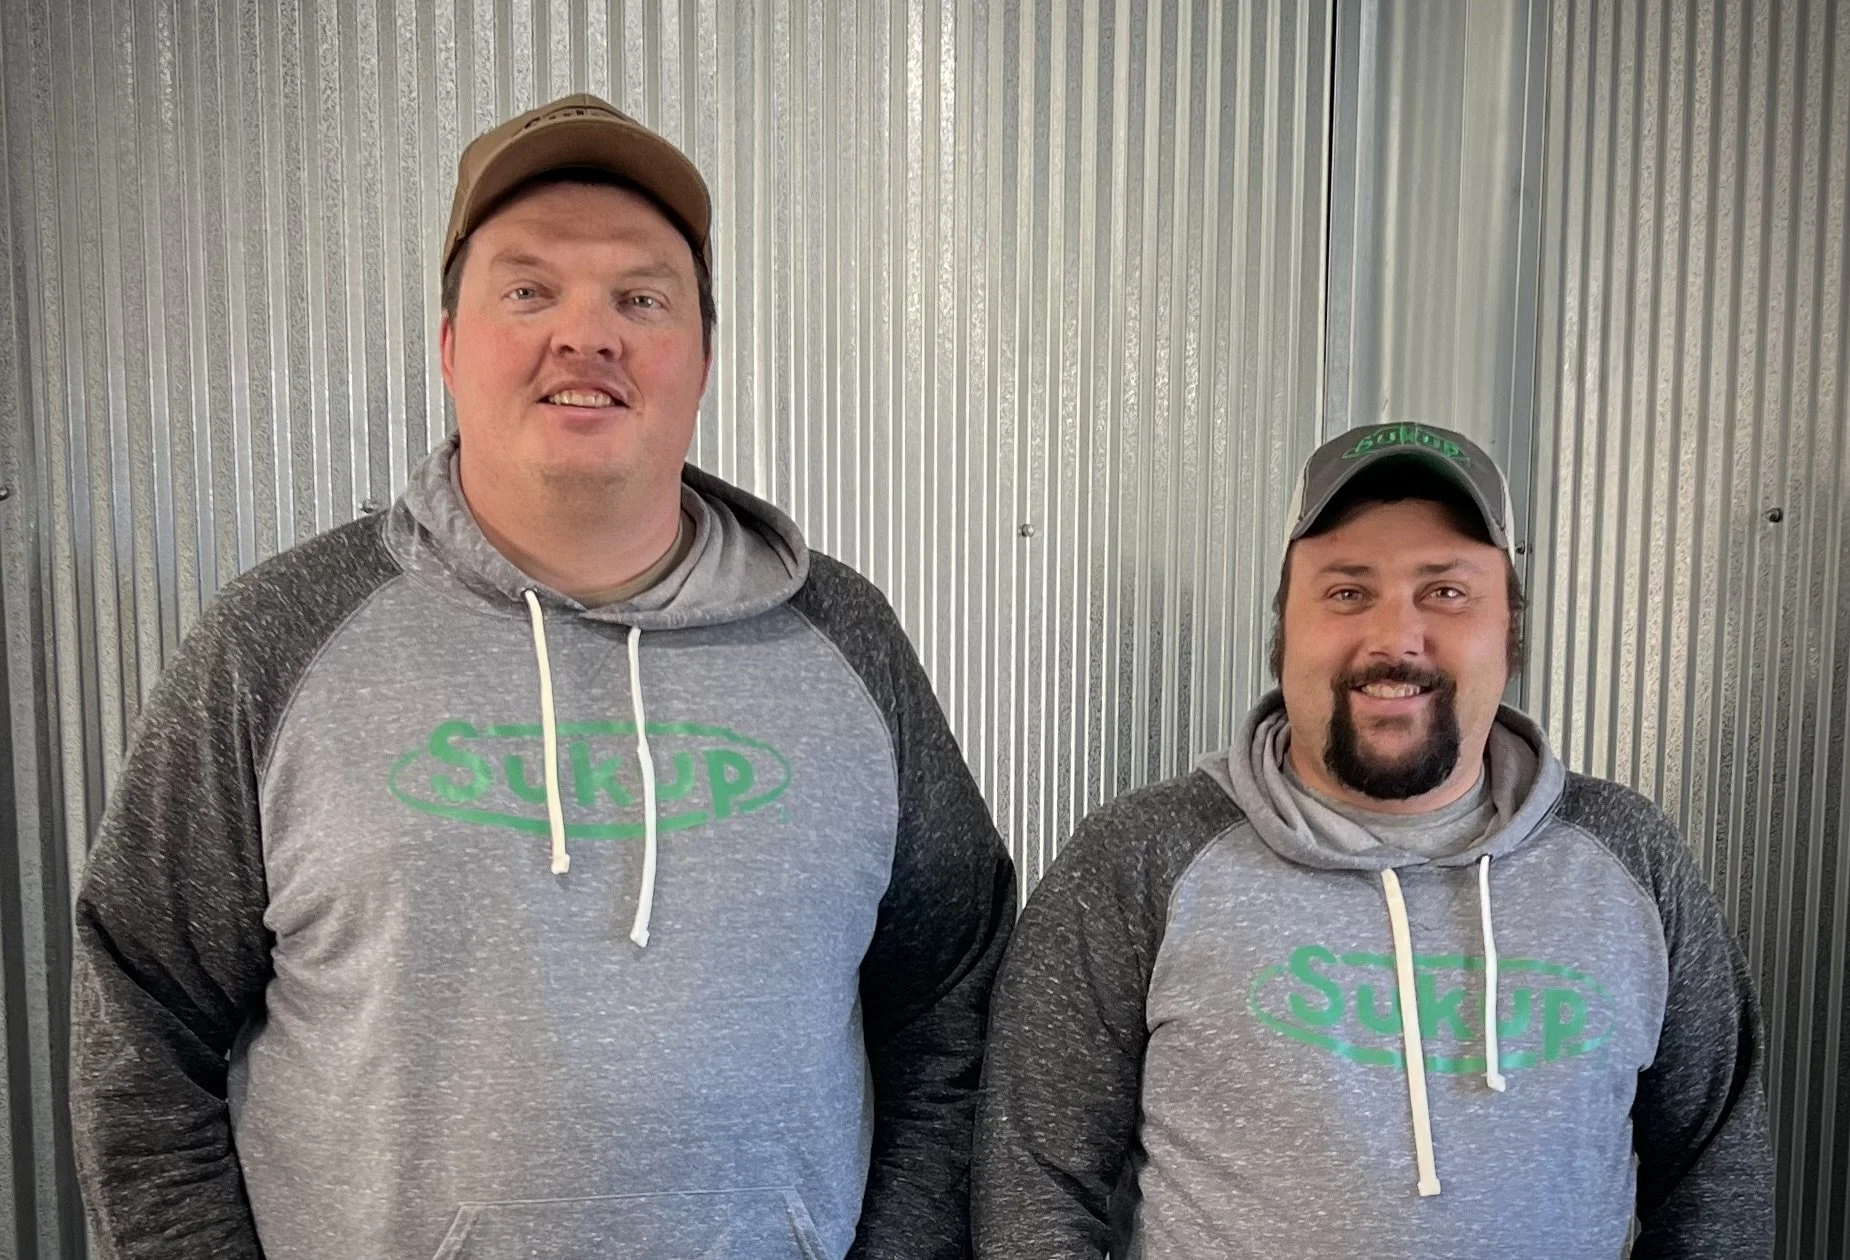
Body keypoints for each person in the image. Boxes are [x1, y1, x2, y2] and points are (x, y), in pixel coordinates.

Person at [71, 92, 1014, 1260]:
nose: (586, 336)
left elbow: (953, 998)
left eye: (640, 298)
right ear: (449, 347)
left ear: (702, 359)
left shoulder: (844, 642)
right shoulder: (275, 640)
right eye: (528, 291)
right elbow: (143, 1024)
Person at [973, 421, 1773, 1258]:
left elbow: (1717, 1177)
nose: (1394, 639)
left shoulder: (1630, 858)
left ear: (1511, 631)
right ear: (1283, 632)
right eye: (1348, 592)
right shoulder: (1142, 857)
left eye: (1446, 591)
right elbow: (1032, 1182)